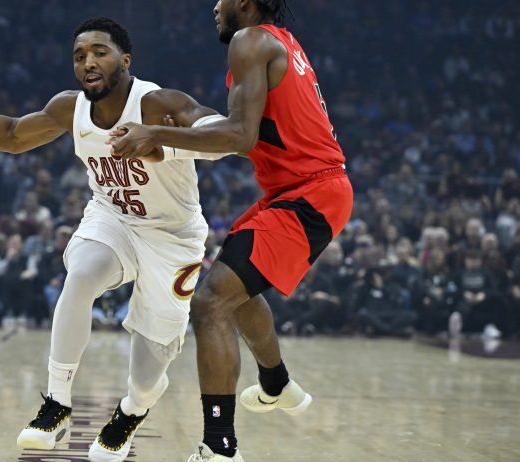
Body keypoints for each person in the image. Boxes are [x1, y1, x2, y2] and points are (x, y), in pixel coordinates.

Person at [0, 17, 227, 462]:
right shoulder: (71, 108)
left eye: (100, 52)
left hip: (173, 236)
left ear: (125, 60)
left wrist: (160, 136)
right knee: (81, 274)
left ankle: (129, 413)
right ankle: (57, 403)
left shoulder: (159, 102)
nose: (88, 61)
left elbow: (223, 137)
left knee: (150, 368)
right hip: (113, 219)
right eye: (79, 55)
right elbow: (12, 135)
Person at [110, 1, 353, 460]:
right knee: (233, 287)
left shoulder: (250, 40)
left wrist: (157, 135)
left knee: (210, 301)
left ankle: (220, 449)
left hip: (310, 193)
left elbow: (239, 137)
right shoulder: (280, 41)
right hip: (300, 190)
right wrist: (174, 136)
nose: (214, 6)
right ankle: (277, 383)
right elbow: (254, 138)